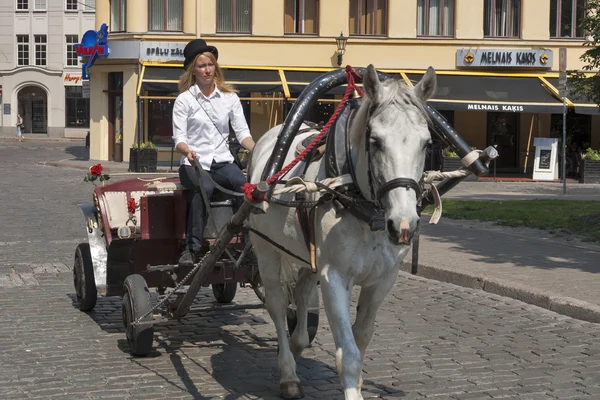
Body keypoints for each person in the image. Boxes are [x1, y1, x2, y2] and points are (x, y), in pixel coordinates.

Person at [172, 39, 255, 267]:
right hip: (193, 164)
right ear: (193, 70)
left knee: (242, 186)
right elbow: (179, 138)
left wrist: (258, 150)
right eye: (202, 66)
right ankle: (193, 248)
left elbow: (242, 134)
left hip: (221, 162)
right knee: (203, 188)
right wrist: (187, 151)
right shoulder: (184, 100)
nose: (207, 70)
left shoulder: (230, 98)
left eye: (210, 64)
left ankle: (247, 245)